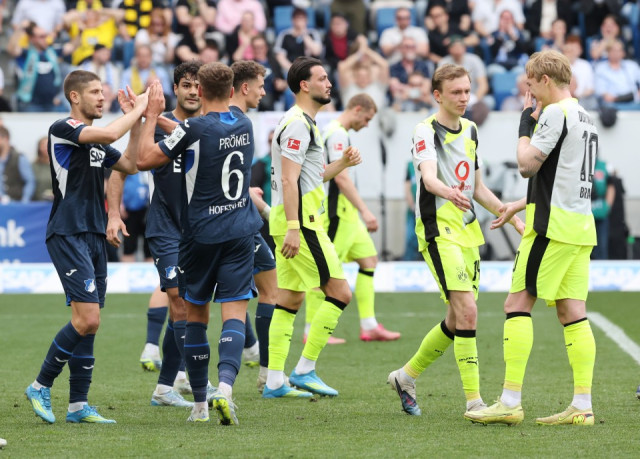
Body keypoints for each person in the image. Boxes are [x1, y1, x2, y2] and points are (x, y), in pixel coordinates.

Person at [465, 50, 598, 426]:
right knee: (572, 312)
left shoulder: (555, 113)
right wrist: (520, 204)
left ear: (545, 79)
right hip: (579, 228)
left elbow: (526, 165)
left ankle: (510, 401)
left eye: (530, 83)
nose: (529, 92)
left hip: (551, 228)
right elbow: (563, 178)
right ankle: (583, 405)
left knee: (516, 303)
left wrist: (526, 122)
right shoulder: (585, 116)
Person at [387, 63, 524, 418]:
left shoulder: (472, 129)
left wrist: (512, 217)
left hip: (466, 231)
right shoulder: (424, 130)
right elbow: (429, 178)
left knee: (456, 317)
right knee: (468, 311)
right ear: (438, 95)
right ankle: (474, 402)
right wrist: (448, 192)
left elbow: (477, 188)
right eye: (456, 92)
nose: (464, 98)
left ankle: (405, 377)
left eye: (466, 91)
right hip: (438, 231)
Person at [137, 62, 262, 425]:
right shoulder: (243, 122)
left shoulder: (194, 128)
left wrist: (151, 117)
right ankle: (225, 390)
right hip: (240, 233)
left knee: (195, 317)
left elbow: (144, 159)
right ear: (233, 91)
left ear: (201, 92)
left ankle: (200, 407)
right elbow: (194, 133)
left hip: (201, 236)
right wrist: (165, 122)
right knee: (234, 314)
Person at [24, 70, 149, 424]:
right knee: (88, 318)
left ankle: (78, 405)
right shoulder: (63, 128)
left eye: (102, 91)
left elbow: (131, 164)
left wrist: (137, 121)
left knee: (89, 322)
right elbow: (110, 132)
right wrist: (138, 109)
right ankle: (40, 385)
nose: (101, 96)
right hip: (68, 232)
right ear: (75, 97)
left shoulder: (96, 144)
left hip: (94, 235)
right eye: (94, 91)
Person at [107, 60, 213, 407]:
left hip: (202, 229)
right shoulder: (155, 123)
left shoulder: (213, 125)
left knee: (191, 308)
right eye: (186, 85)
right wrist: (113, 214)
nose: (193, 92)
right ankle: (198, 382)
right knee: (179, 300)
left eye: (198, 86)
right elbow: (122, 169)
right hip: (166, 227)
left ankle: (165, 388)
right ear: (175, 89)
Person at [262, 56, 361, 399]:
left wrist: (341, 163)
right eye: (322, 78)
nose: (329, 83)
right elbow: (289, 181)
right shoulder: (298, 124)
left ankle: (275, 381)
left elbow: (310, 178)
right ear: (304, 85)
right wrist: (294, 226)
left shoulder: (303, 122)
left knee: (289, 299)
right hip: (301, 222)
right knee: (340, 293)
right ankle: (305, 369)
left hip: (293, 219)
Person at [305, 93, 401, 342]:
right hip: (337, 213)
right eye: (367, 119)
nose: (367, 125)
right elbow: (341, 177)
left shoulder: (336, 131)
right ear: (357, 109)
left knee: (369, 261)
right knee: (324, 271)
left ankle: (369, 325)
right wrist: (365, 210)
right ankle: (311, 330)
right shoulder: (337, 134)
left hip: (348, 215)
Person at [229, 60, 279, 392]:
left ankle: (180, 379)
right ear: (244, 87)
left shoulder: (216, 119)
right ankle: (266, 373)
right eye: (260, 86)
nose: (264, 92)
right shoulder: (240, 122)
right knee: (263, 293)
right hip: (237, 222)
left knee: (202, 303)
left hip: (228, 219)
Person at [0, 125, 35, 203]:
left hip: (16, 204)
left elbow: (29, 181)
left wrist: (24, 201)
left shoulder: (20, 158)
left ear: (6, 138)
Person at [591, 156, 615, 260]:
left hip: (601, 212)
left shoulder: (604, 166)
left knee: (602, 245)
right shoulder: (579, 163)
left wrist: (607, 206)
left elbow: (611, 186)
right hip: (584, 213)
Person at [32, 136, 53, 201]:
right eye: (43, 145)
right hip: (36, 202)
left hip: (54, 202)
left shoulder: (60, 166)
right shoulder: (33, 166)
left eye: (48, 144)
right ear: (39, 148)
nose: (46, 148)